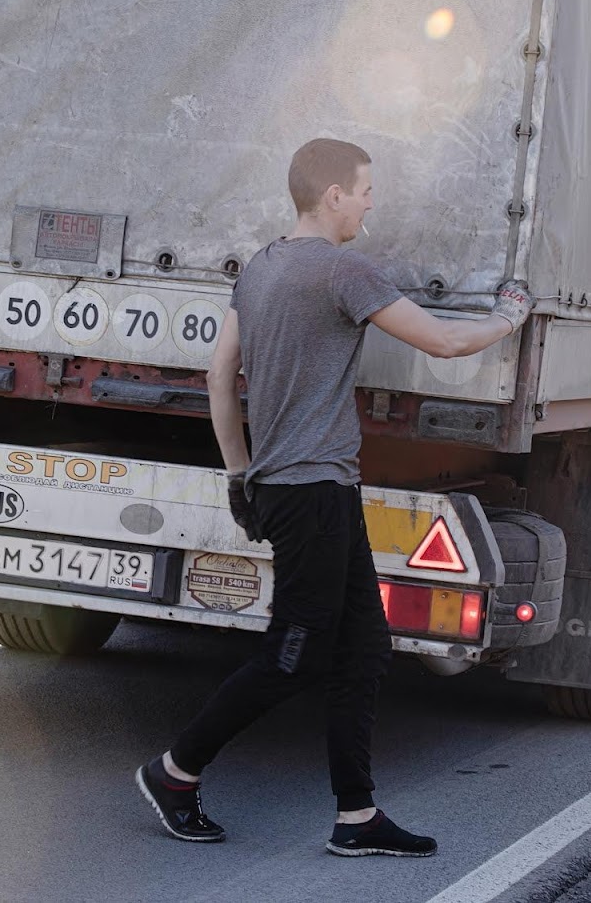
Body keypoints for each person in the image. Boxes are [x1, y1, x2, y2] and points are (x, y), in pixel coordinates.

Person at [135, 138, 532, 856]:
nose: (373, 203)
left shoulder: (259, 268)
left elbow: (220, 377)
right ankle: (175, 771)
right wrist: (510, 318)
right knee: (292, 655)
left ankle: (357, 816)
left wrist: (238, 475)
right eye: (366, 190)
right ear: (333, 195)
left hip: (306, 489)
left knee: (366, 649)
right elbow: (440, 342)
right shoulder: (343, 271)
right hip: (313, 492)